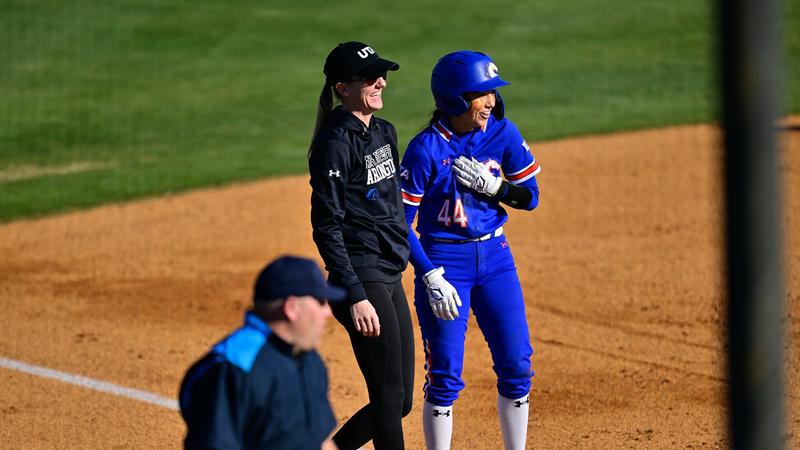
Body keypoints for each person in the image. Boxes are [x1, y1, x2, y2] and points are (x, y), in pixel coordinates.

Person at [399, 51, 541, 450]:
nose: (491, 101)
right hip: (446, 263)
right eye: (483, 94)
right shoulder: (425, 149)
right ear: (455, 98)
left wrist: (497, 189)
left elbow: (530, 197)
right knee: (445, 375)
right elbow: (399, 223)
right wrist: (428, 272)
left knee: (517, 366)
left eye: (493, 92)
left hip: (496, 259)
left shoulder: (503, 133)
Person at [307, 41, 414, 450]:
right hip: (361, 276)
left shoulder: (384, 132)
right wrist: (354, 294)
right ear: (342, 87)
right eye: (369, 78)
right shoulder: (336, 143)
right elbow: (326, 225)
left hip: (387, 271)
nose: (381, 82)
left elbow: (391, 206)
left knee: (400, 399)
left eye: (381, 75)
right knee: (388, 397)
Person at [178, 255, 345, 450]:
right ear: (291, 308)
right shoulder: (234, 368)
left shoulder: (308, 360)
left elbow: (319, 440)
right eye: (321, 302)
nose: (327, 312)